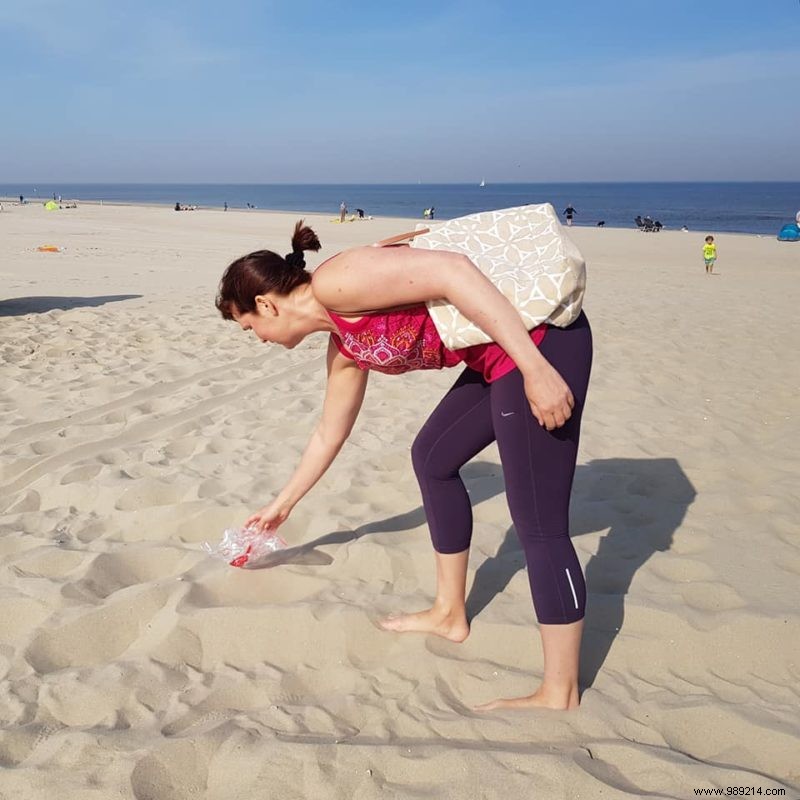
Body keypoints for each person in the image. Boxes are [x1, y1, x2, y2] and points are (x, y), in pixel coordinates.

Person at [215, 220, 592, 711]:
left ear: (265, 304)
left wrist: (537, 370)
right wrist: (280, 506)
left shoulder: (336, 282)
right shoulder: (345, 346)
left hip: (539, 344)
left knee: (539, 524)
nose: (258, 338)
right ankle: (449, 613)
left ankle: (559, 693)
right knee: (433, 458)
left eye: (250, 327)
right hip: (495, 361)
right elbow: (330, 432)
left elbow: (454, 271)